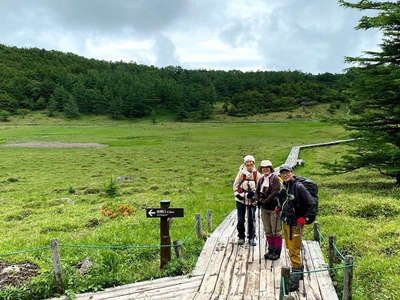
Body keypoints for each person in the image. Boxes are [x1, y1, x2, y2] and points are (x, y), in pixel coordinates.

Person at [279, 165, 317, 292]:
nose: (285, 175)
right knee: (290, 247)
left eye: (287, 172)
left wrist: (304, 219)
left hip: (295, 223)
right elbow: (287, 202)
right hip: (287, 221)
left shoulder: (298, 186)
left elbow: (311, 203)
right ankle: (298, 274)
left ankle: (294, 283)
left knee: (294, 250)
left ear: (292, 173)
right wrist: (280, 209)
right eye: (283, 173)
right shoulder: (286, 185)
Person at [256, 160, 282, 260]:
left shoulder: (275, 178)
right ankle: (271, 250)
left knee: (276, 231)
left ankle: (277, 252)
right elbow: (257, 192)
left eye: (267, 167)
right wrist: (258, 200)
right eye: (263, 167)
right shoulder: (261, 179)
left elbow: (275, 192)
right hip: (264, 209)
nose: (265, 169)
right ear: (261, 169)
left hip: (274, 209)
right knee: (268, 230)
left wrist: (264, 201)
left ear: (270, 168)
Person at [233, 155, 261, 246]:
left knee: (251, 219)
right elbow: (235, 185)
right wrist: (238, 195)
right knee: (241, 219)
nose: (249, 164)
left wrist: (254, 195)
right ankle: (241, 236)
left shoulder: (257, 174)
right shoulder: (241, 173)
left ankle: (251, 237)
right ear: (245, 163)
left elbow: (260, 187)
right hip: (241, 200)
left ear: (253, 163)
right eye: (247, 162)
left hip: (252, 200)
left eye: (251, 162)